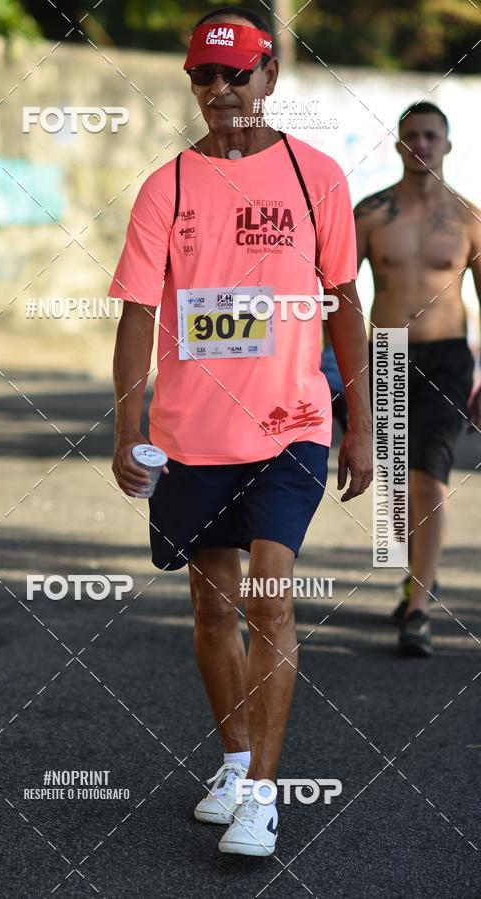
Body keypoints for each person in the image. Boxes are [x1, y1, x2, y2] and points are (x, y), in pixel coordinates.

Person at [110, 7, 372, 857]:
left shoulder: (317, 178)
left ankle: (262, 791)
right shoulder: (167, 186)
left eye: (236, 75)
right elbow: (139, 311)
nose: (220, 92)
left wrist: (359, 424)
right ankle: (231, 760)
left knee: (271, 599)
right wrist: (127, 428)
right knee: (211, 608)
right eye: (203, 77)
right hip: (192, 436)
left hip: (291, 423)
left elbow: (344, 305)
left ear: (270, 76)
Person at [355, 102, 481, 657]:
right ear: (399, 145)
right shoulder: (370, 214)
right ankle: (414, 576)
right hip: (387, 354)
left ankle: (420, 612)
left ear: (447, 145)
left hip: (449, 359)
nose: (421, 144)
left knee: (428, 476)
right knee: (397, 489)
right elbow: (333, 294)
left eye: (431, 135)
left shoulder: (469, 220)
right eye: (411, 136)